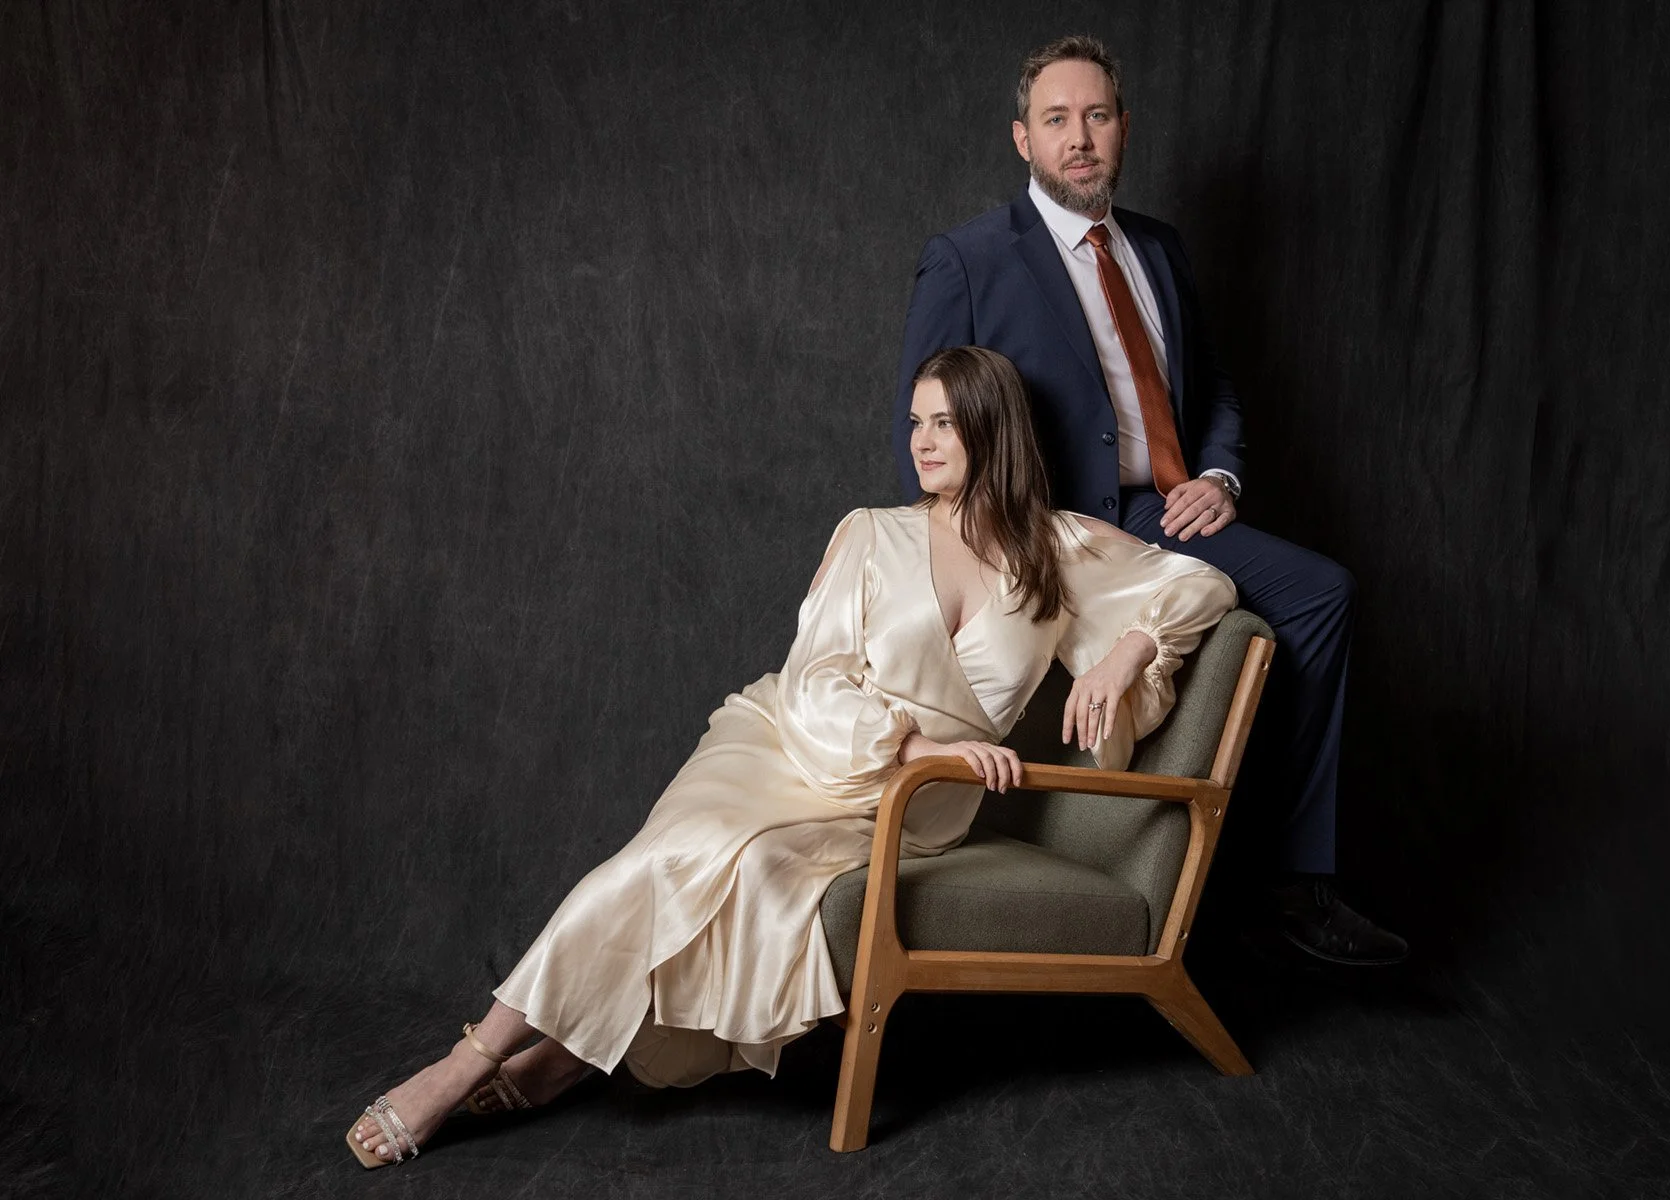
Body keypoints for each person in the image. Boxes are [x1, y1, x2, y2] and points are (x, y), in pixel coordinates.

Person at [347, 346, 1236, 1168]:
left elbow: (1202, 584)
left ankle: (572, 1059)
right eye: (914, 423)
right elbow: (815, 681)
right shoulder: (871, 533)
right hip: (791, 743)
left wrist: (1127, 653)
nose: (921, 443)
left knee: (765, 876)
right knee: (668, 860)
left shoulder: (1058, 549)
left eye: (944, 424)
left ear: (992, 429)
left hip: (909, 805)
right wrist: (921, 744)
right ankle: (470, 1062)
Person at [891, 36, 1408, 965]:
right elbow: (923, 425)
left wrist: (1219, 477)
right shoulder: (969, 259)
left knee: (1323, 593)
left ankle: (1294, 882)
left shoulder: (1159, 247)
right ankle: (1232, 880)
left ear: (1123, 129)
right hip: (1060, 529)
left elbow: (1211, 392)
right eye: (1057, 121)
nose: (1078, 138)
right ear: (1023, 138)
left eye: (1096, 117)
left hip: (1169, 507)